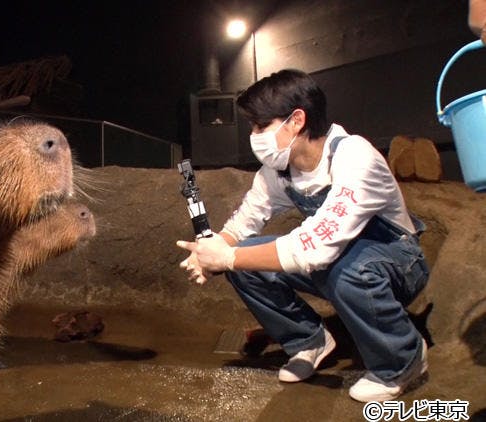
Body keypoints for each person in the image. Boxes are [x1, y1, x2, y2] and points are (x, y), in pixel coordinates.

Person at [176, 69, 430, 403]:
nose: (254, 135)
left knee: (346, 269)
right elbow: (244, 223)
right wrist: (211, 252)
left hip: (397, 262)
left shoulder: (354, 156)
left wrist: (229, 256)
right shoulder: (278, 172)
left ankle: (403, 359)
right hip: (336, 259)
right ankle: (308, 341)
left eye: (260, 125)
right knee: (244, 262)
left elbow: (316, 248)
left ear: (296, 120)